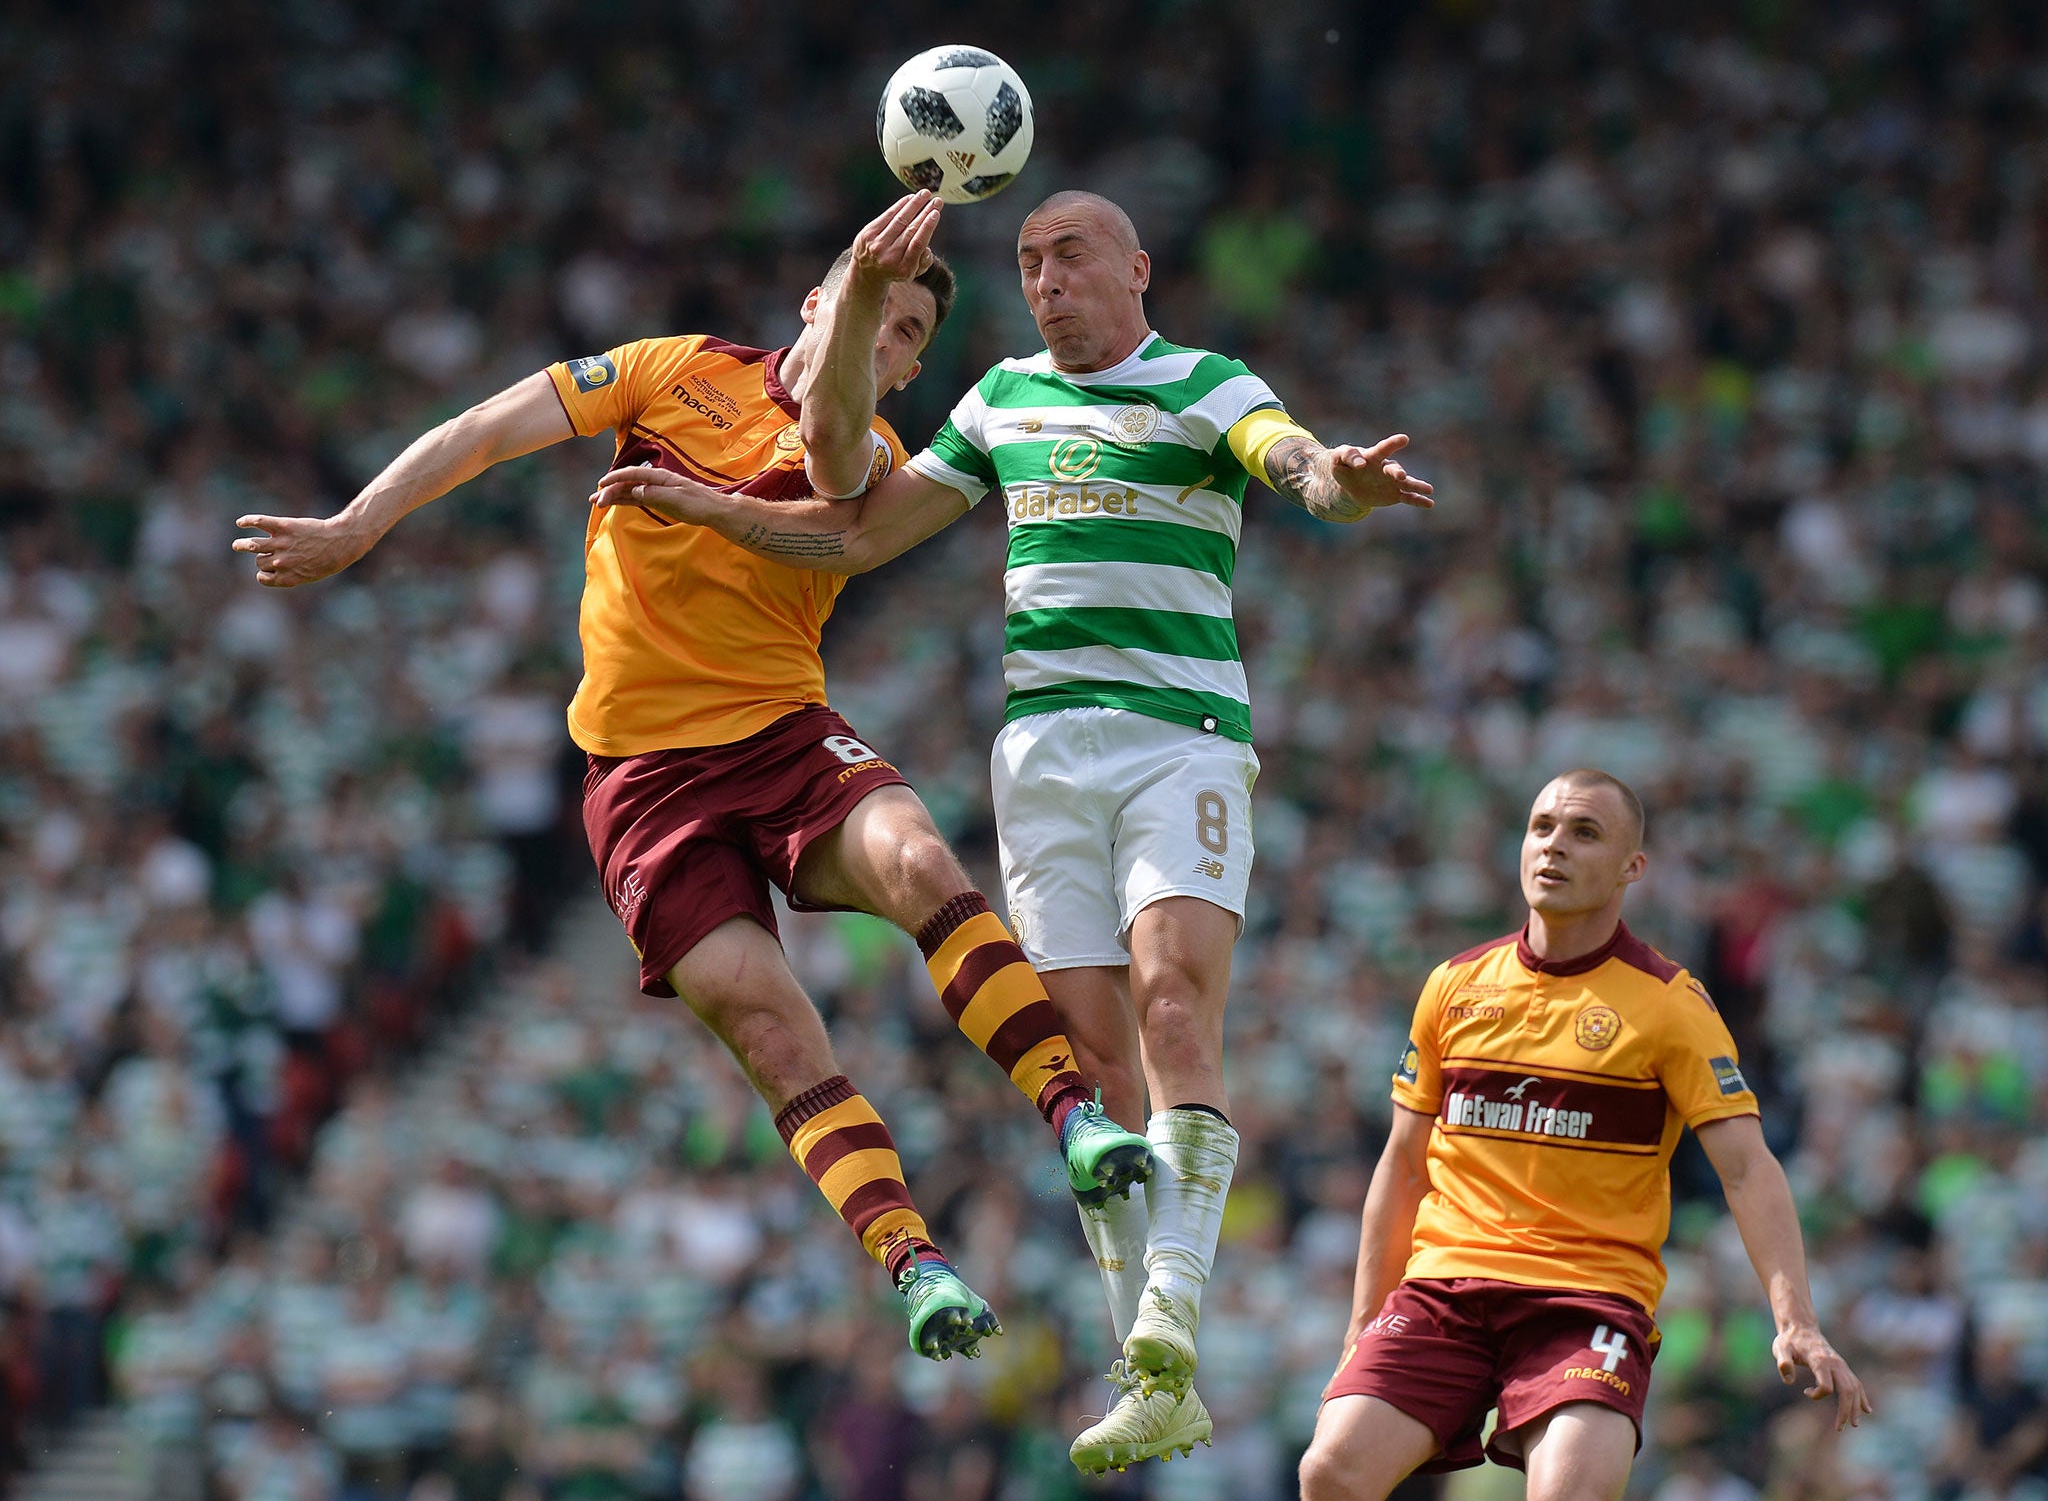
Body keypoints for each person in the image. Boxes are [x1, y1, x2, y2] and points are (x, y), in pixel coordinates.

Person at [228, 192, 1151, 1361]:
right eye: (875, 309)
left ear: (909, 374)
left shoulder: (866, 454)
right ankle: (915, 1265)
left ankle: (1070, 1118)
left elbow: (823, 432)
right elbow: (488, 427)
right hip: (641, 788)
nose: (887, 341)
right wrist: (361, 521)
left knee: (920, 860)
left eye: (910, 338)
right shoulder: (674, 369)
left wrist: (872, 289)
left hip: (781, 741)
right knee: (772, 1035)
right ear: (810, 300)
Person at [592, 189, 1433, 1471]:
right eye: (1029, 261)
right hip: (1038, 753)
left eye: (1071, 255)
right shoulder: (996, 401)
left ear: (1137, 268)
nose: (1045, 280)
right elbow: (856, 536)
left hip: (1177, 738)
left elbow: (1288, 455)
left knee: (1167, 1010)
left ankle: (1171, 1312)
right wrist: (712, 513)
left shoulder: (1206, 384)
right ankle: (1147, 1379)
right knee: (1086, 1059)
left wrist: (1336, 485)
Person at [1295, 769, 1870, 1501]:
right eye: (1542, 828)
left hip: (1588, 1299)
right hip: (1446, 1289)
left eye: (1584, 832)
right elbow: (1405, 1164)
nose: (1554, 846)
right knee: (1329, 1472)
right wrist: (1363, 1323)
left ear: (1634, 868)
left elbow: (1748, 1170)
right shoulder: (1454, 984)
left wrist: (1797, 1323)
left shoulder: (1670, 1005)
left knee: (1572, 1491)